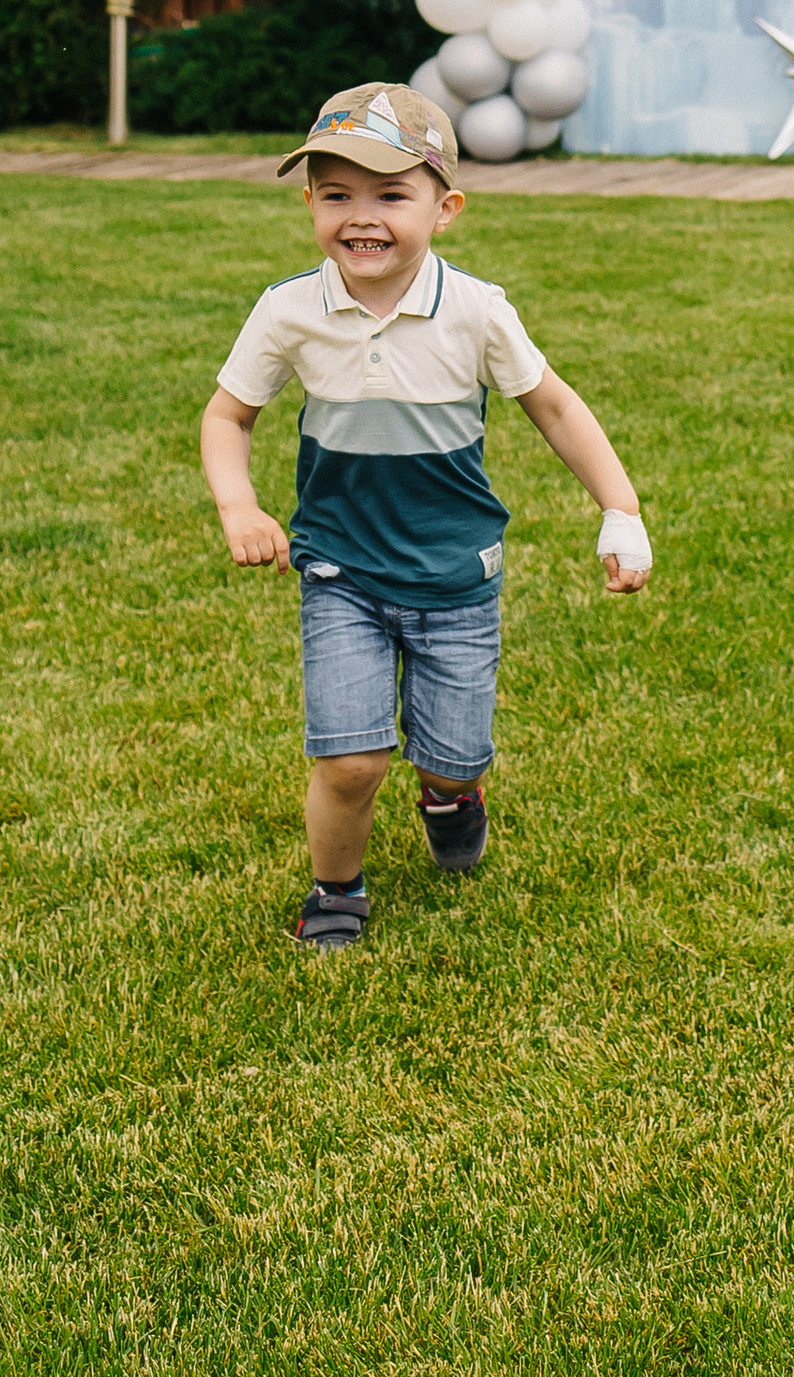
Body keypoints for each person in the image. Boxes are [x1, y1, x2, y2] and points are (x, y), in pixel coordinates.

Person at [200, 80, 652, 952]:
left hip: (455, 575)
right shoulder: (289, 309)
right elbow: (229, 416)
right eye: (336, 195)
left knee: (453, 753)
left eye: (389, 194)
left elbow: (554, 407)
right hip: (341, 571)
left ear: (444, 208)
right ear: (309, 204)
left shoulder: (477, 311)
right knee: (352, 760)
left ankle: (452, 792)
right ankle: (336, 893)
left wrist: (619, 509)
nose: (360, 217)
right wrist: (240, 504)